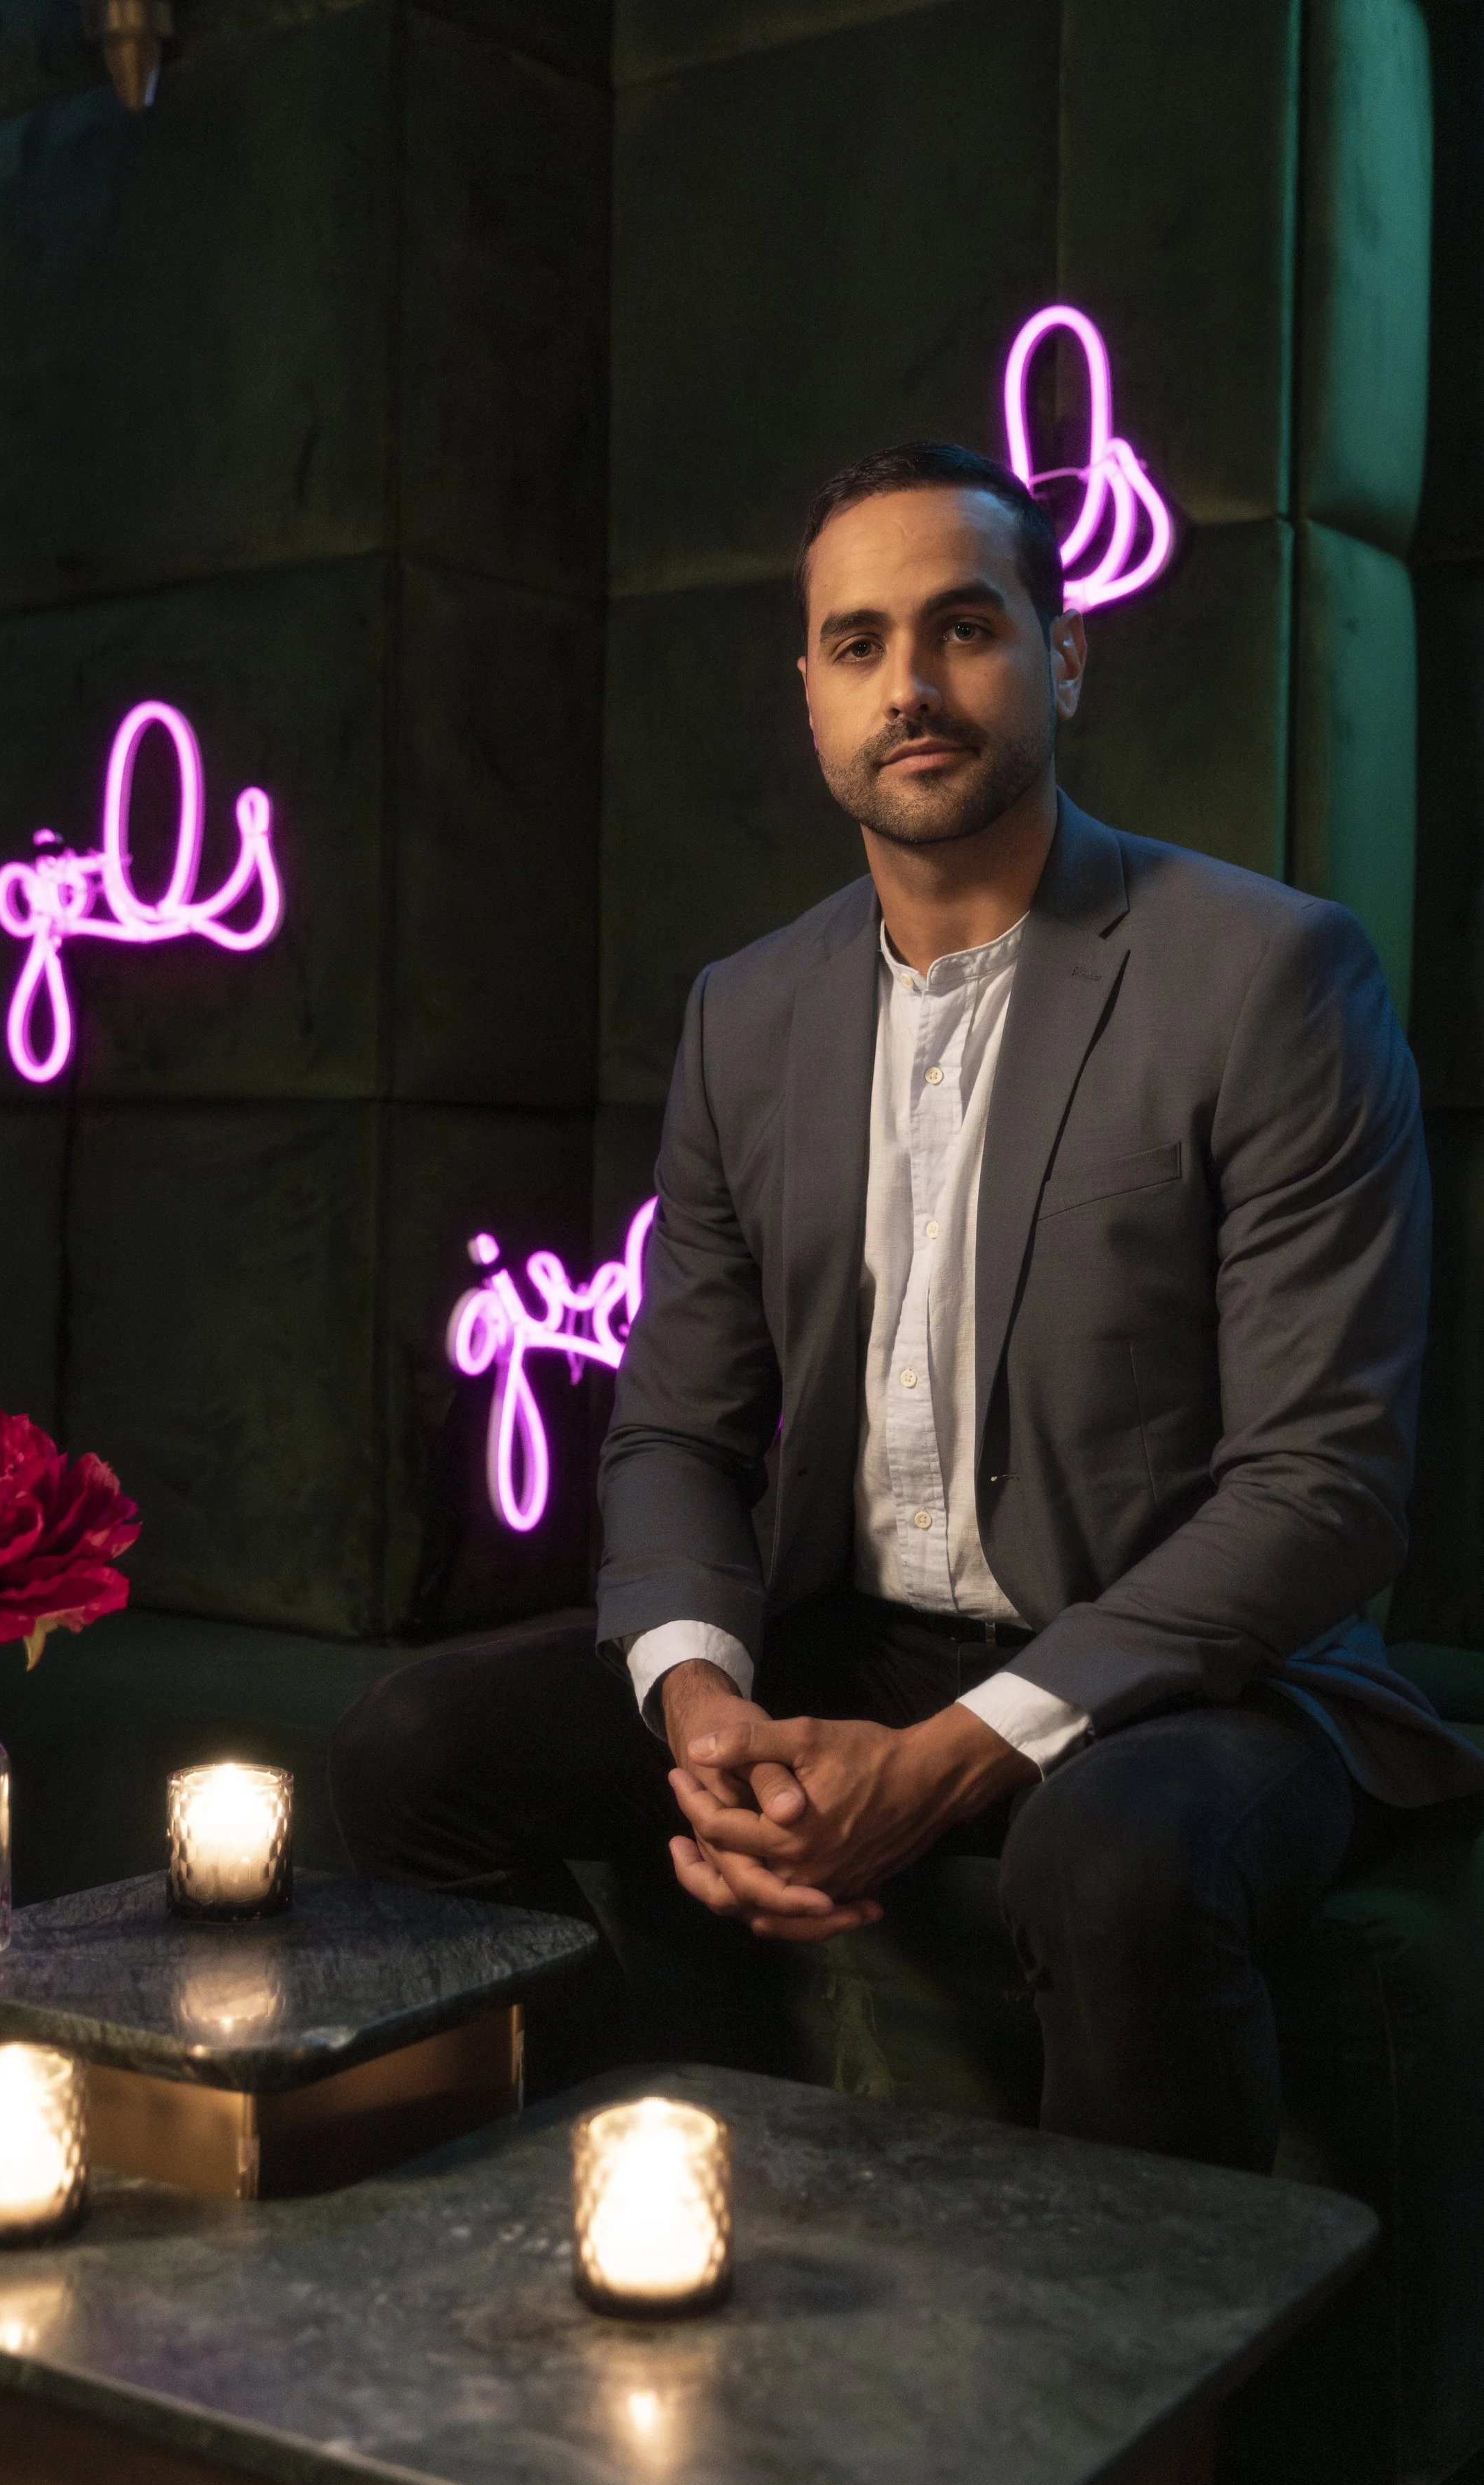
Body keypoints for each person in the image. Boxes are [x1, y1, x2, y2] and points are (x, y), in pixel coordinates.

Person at [332, 441, 1484, 2172]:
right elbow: (670, 1428)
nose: (911, 686)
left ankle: (1144, 2425)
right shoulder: (746, 1011)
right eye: (856, 644)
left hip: (1198, 1672)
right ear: (806, 695)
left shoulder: (1266, 975)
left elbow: (1322, 1485)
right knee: (413, 1749)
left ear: (1062, 651)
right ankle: (632, 2184)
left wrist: (945, 1761)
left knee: (1103, 1858)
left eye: (963, 626)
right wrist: (700, 1707)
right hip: (853, 1620)